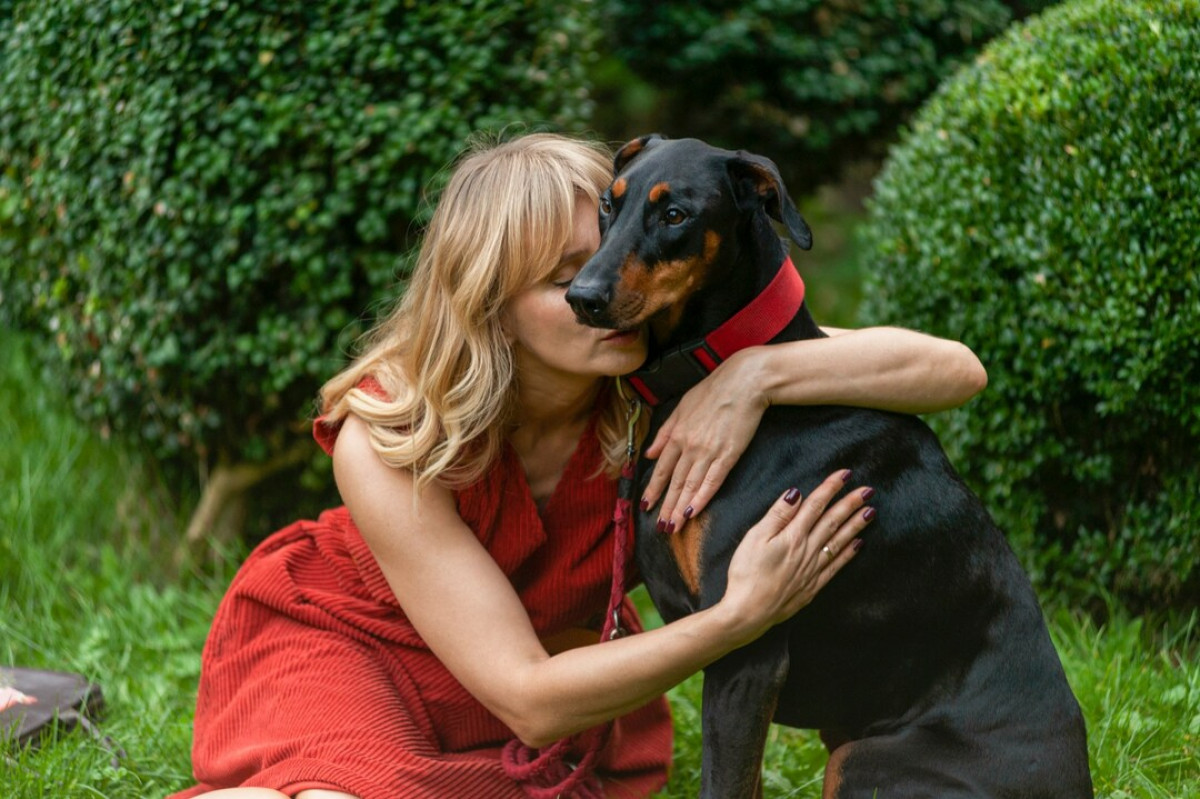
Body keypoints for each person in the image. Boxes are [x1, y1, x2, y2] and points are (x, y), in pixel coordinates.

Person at [170, 133, 987, 799]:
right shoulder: (392, 429)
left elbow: (953, 369)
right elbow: (527, 696)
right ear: (489, 302)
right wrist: (740, 615)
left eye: (620, 248)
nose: (608, 285)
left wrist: (755, 374)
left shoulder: (658, 384)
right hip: (352, 644)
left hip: (536, 691)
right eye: (568, 278)